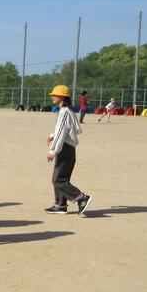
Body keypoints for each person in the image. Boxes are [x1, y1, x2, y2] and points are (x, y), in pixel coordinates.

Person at [44, 85, 93, 215]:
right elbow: (70, 129)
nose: (52, 97)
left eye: (54, 95)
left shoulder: (65, 112)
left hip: (65, 149)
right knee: (62, 179)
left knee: (58, 180)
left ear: (62, 97)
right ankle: (60, 205)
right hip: (67, 148)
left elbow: (61, 132)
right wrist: (52, 135)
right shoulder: (67, 111)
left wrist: (52, 151)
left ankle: (82, 198)